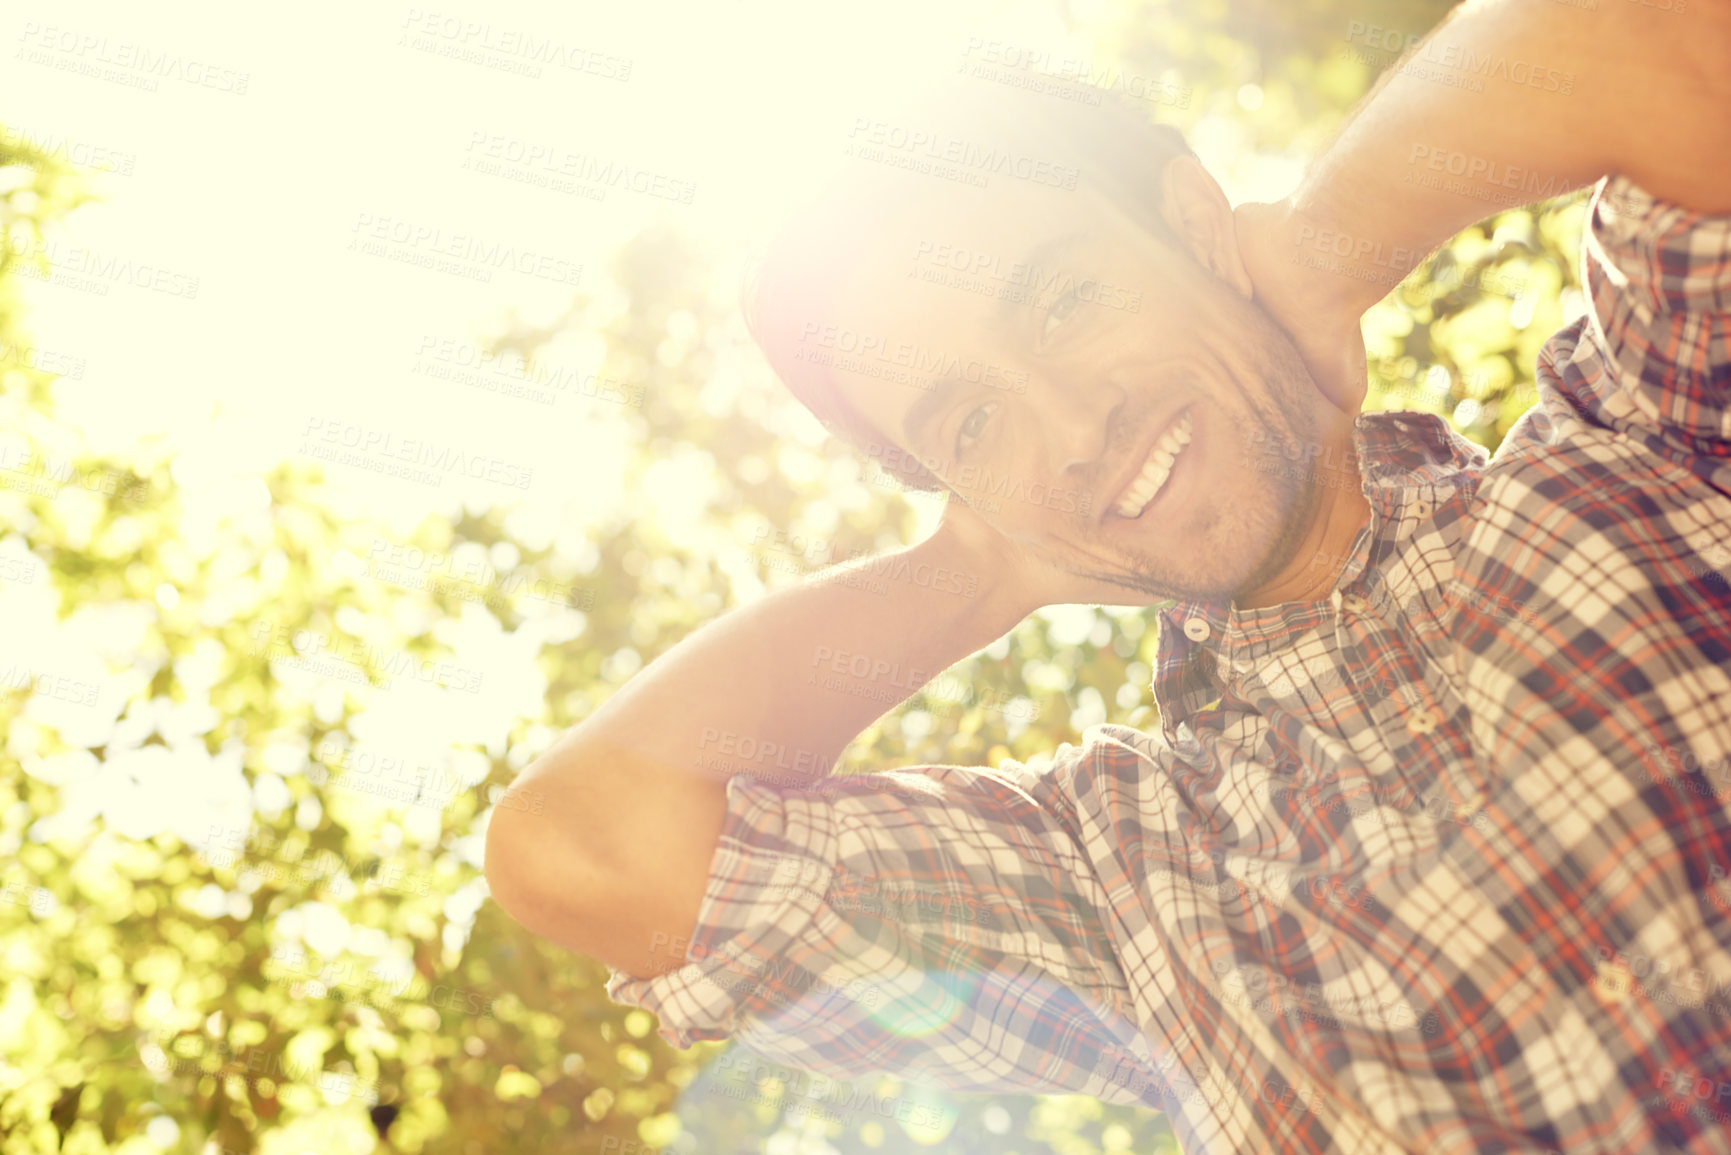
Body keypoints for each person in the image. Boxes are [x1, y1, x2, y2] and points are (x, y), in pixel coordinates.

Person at [485, 0, 1731, 1149]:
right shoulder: (1113, 880)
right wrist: (972, 572)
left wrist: (1320, 246)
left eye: (1067, 299)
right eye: (972, 427)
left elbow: (1655, 36)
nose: (1073, 427)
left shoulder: (1645, 440)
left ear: (1192, 226)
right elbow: (589, 846)